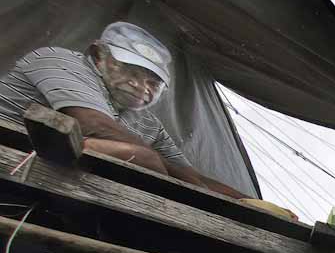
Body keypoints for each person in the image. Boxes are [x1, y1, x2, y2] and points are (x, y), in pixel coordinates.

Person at [0, 21, 288, 211]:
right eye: (131, 71)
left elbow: (190, 177)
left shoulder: (147, 124)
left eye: (153, 82)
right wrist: (152, 162)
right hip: (11, 154)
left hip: (51, 183)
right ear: (99, 55)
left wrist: (246, 203)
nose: (141, 87)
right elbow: (91, 124)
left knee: (155, 201)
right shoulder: (58, 59)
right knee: (147, 165)